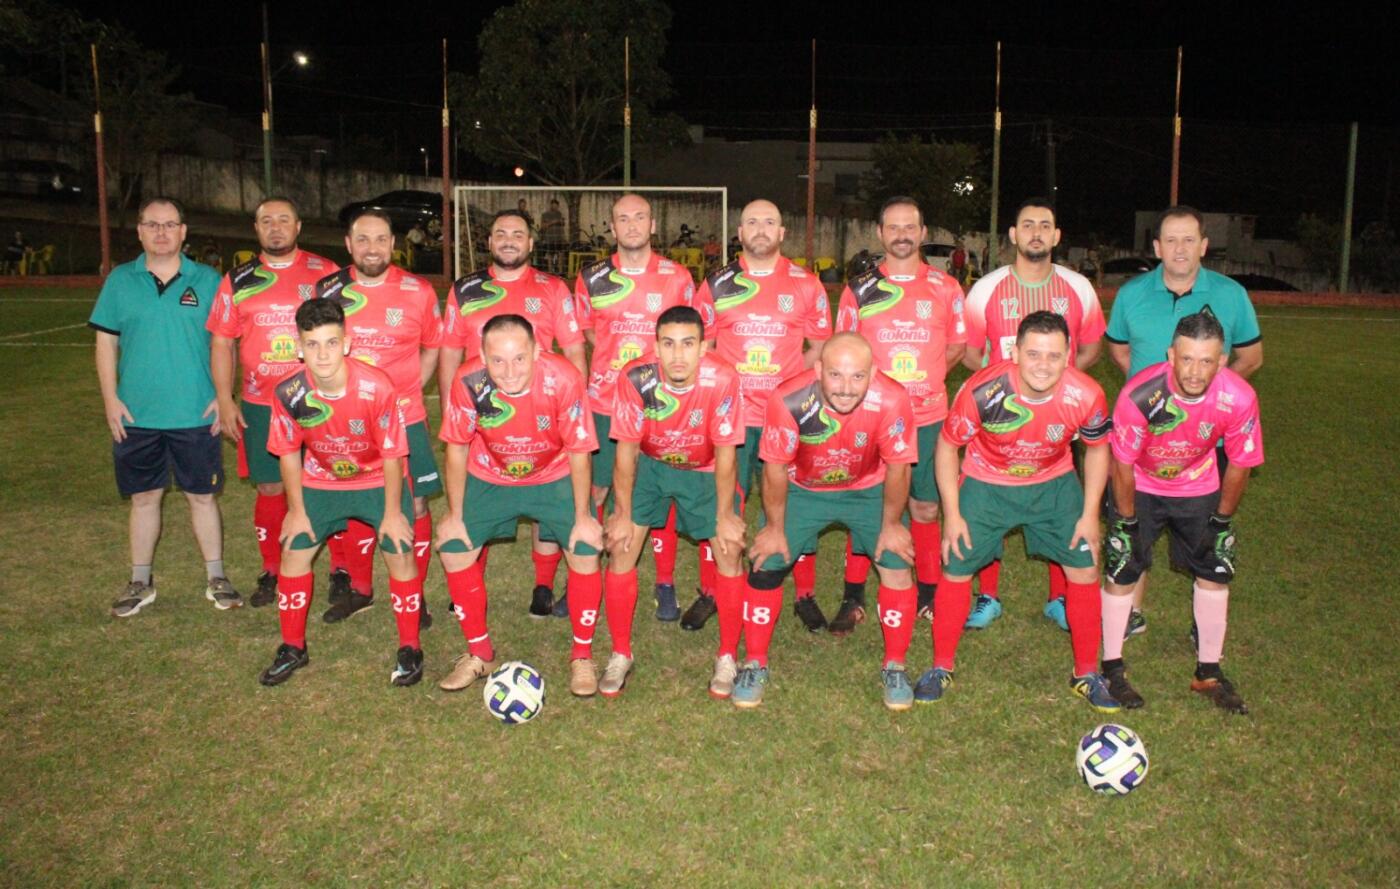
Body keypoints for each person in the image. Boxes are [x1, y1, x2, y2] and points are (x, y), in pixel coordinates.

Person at [924, 311, 1118, 712]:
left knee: (1084, 568)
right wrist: (953, 514)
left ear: (1069, 356)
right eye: (1033, 354)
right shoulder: (982, 391)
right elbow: (947, 447)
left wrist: (1089, 514)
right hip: (987, 482)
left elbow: (1098, 450)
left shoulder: (1086, 394)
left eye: (1053, 355)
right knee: (956, 565)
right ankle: (940, 667)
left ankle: (1086, 673)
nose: (1043, 365)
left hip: (1053, 483)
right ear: (1015, 352)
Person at [735, 332, 918, 710]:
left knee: (897, 563)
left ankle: (895, 666)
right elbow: (774, 468)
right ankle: (754, 662)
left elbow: (899, 467)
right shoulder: (788, 398)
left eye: (858, 376)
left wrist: (892, 525)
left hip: (867, 489)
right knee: (767, 561)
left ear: (873, 373)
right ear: (818, 369)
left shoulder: (893, 398)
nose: (846, 388)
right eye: (836, 375)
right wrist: (774, 528)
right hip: (804, 489)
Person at [1104, 206, 1264, 637]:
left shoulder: (1232, 294)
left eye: (1189, 240)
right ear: (1157, 247)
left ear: (1204, 246)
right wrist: (1152, 399)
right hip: (1143, 439)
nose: (1180, 249)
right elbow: (1119, 350)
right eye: (1171, 240)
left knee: (1205, 533)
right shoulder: (1131, 294)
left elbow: (1251, 357)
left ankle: (1204, 623)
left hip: (1208, 443)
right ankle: (1131, 612)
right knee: (1134, 524)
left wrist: (1208, 400)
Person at [1099, 312, 1262, 714]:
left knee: (1215, 568)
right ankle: (1111, 668)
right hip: (1141, 484)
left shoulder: (1239, 397)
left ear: (1221, 361)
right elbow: (1122, 463)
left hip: (1198, 485)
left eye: (1206, 361)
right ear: (1171, 355)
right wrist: (1127, 521)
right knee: (1123, 566)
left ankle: (1208, 672)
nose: (1194, 371)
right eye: (1186, 359)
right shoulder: (1140, 394)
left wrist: (1221, 520)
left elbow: (1240, 463)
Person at [434, 315, 605, 696]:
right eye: (497, 360)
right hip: (491, 474)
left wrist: (582, 517)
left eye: (519, 359)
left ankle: (581, 656)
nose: (509, 371)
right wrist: (454, 515)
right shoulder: (468, 380)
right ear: (482, 356)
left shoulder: (564, 379)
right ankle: (480, 653)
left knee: (585, 547)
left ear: (537, 352)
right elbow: (457, 448)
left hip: (553, 473)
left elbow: (579, 450)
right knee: (454, 547)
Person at [257, 299, 425, 687]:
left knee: (400, 551)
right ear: (298, 348)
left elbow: (393, 454)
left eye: (331, 343)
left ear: (346, 344)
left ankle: (410, 647)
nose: (323, 354)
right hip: (322, 480)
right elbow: (288, 453)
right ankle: (293, 647)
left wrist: (391, 513)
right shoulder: (289, 392)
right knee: (294, 550)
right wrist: (297, 510)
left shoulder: (376, 386)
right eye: (312, 344)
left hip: (376, 479)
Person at [90, 196, 242, 616]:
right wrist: (110, 400)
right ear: (140, 231)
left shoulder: (208, 280)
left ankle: (217, 577)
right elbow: (105, 343)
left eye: (169, 224)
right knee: (144, 498)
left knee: (202, 497)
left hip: (195, 412)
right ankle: (140, 582)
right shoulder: (121, 280)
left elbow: (225, 343)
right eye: (152, 225)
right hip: (136, 414)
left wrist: (223, 395)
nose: (161, 232)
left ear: (183, 232)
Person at [960, 198, 1107, 631]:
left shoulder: (1078, 287)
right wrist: (999, 388)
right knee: (987, 506)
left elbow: (1091, 347)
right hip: (997, 419)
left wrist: (1060, 385)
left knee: (1060, 505)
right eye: (1028, 225)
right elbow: (971, 353)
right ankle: (988, 595)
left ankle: (1059, 597)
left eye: (1045, 225)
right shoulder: (986, 288)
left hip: (1058, 420)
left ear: (1057, 236)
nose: (1036, 232)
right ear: (1013, 234)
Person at [688, 199, 831, 633]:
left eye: (770, 222)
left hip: (786, 418)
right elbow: (704, 348)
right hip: (731, 417)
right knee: (721, 502)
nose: (761, 229)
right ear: (740, 233)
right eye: (752, 222)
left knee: (794, 500)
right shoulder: (716, 284)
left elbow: (819, 347)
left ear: (783, 232)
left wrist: (794, 394)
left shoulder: (806, 284)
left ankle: (804, 593)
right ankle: (712, 590)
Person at [438, 208, 588, 619]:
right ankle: (469, 577)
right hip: (482, 413)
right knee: (477, 494)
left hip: (543, 409)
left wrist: (577, 405)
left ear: (531, 242)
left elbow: (574, 350)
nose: (509, 240)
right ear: (489, 242)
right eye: (501, 233)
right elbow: (450, 352)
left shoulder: (553, 288)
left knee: (545, 491)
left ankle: (543, 585)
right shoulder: (465, 290)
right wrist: (453, 408)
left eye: (518, 234)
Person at [835, 196, 966, 636]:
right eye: (893, 227)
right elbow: (844, 351)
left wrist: (924, 382)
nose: (902, 235)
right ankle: (853, 595)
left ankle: (928, 591)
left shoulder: (946, 288)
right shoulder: (859, 289)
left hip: (927, 417)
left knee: (925, 506)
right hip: (871, 418)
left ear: (923, 232)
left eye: (910, 227)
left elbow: (956, 346)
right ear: (880, 233)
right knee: (867, 503)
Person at [604, 306, 747, 698]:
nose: (678, 355)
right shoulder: (635, 377)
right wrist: (621, 513)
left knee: (729, 549)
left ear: (703, 347)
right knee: (621, 545)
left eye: (688, 344)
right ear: (655, 347)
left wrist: (725, 515)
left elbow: (727, 455)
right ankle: (620, 653)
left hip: (703, 468)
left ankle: (727, 656)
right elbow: (625, 451)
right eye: (668, 344)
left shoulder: (723, 378)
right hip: (652, 465)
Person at [209, 196, 341, 609]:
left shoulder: (325, 272)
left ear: (298, 226)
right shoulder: (238, 279)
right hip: (261, 403)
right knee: (270, 486)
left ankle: (341, 571)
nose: (276, 227)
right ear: (256, 228)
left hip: (320, 397)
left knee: (333, 481)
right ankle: (273, 569)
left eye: (284, 219)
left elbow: (348, 332)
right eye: (267, 220)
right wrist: (224, 399)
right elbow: (222, 342)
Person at [313, 209, 443, 624]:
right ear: (348, 244)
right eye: (363, 239)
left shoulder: (418, 290)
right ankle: (361, 590)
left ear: (393, 244)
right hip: (349, 420)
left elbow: (433, 345)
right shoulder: (327, 290)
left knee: (416, 504)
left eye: (381, 239)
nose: (373, 248)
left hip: (405, 417)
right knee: (357, 502)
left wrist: (410, 389)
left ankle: (414, 594)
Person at [573, 193, 696, 621]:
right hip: (605, 400)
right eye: (622, 218)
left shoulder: (677, 277)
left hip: (661, 405)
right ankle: (588, 572)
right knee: (597, 489)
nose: (631, 225)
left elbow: (688, 337)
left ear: (652, 224)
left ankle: (665, 581)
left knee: (658, 493)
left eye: (639, 217)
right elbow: (588, 332)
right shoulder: (591, 277)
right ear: (612, 227)